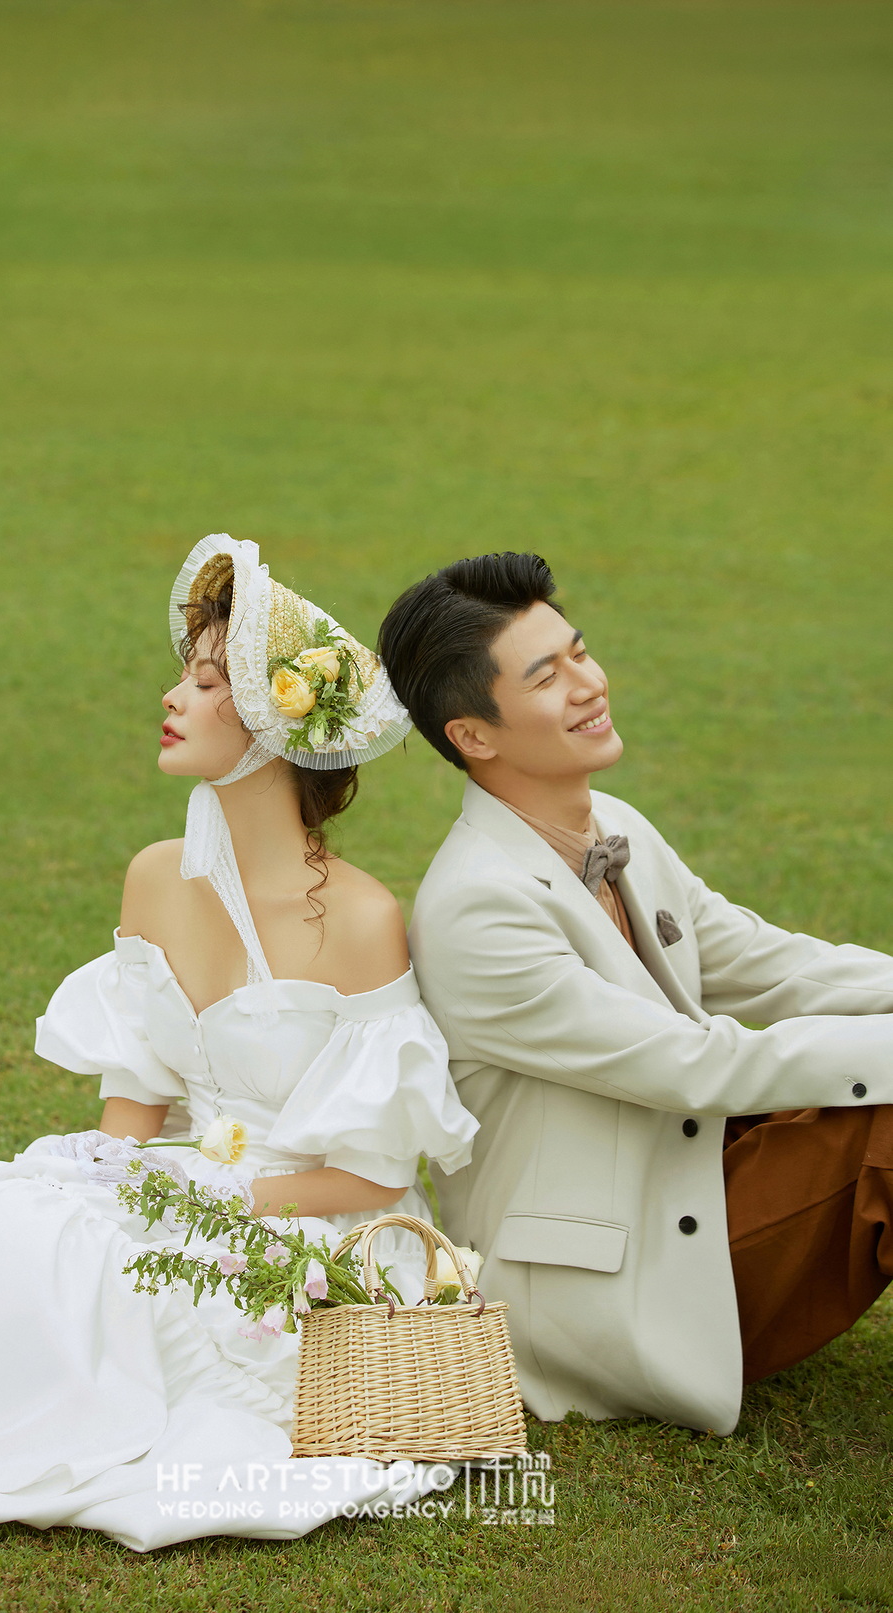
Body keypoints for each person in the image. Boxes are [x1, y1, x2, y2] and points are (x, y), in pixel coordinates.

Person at [0, 535, 477, 1549]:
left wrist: (209, 1200)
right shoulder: (156, 877)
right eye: (186, 674)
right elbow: (133, 1104)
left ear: (273, 727)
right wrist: (103, 1179)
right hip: (184, 1179)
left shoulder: (359, 918)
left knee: (73, 1276)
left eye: (209, 683)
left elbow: (374, 1170)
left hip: (304, 1226)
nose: (174, 695)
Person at [378, 550, 893, 1437]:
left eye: (579, 652)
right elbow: (692, 1064)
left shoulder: (616, 825)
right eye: (547, 676)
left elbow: (763, 960)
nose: (588, 684)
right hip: (602, 1277)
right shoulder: (474, 908)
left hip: (686, 1170)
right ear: (474, 735)